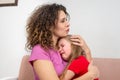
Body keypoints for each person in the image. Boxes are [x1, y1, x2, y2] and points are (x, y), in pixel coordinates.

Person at [26, 3, 99, 80]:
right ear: (49, 26)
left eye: (66, 20)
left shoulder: (62, 48)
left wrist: (86, 49)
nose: (67, 24)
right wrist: (89, 76)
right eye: (62, 21)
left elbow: (85, 66)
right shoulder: (40, 50)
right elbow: (91, 74)